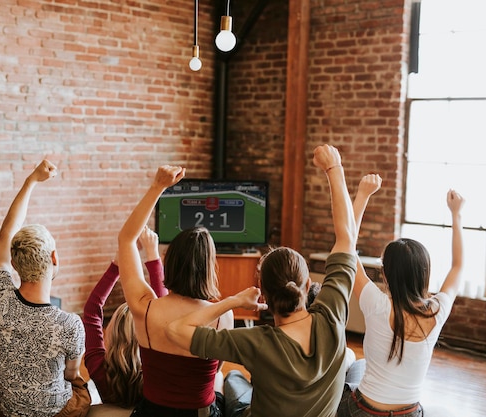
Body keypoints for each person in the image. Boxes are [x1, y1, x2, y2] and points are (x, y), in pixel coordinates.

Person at [166, 144, 361, 417]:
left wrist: (231, 301)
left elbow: (174, 330)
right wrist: (334, 169)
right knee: (354, 363)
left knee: (233, 378)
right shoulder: (332, 317)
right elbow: (347, 238)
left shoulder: (254, 342)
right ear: (307, 286)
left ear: (264, 296)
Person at [337, 175, 465, 417]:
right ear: (425, 275)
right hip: (410, 413)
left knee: (353, 367)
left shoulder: (376, 304)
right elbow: (458, 266)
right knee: (360, 365)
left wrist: (363, 195)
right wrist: (456, 214)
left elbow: (346, 248)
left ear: (385, 275)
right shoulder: (438, 310)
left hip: (362, 412)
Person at [117, 165, 234, 417]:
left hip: (152, 413)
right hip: (200, 414)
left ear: (170, 261)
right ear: (209, 268)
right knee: (224, 379)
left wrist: (157, 186)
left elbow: (127, 239)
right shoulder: (222, 316)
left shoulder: (144, 307)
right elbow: (215, 371)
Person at [0, 160, 90, 417]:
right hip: (55, 413)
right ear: (54, 258)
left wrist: (31, 180)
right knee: (82, 387)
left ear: (14, 264)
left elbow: (6, 233)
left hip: (7, 410)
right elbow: (71, 374)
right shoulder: (69, 324)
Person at [82, 227, 167, 407]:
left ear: (111, 330)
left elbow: (92, 310)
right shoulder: (157, 367)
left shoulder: (98, 367)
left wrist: (117, 267)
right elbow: (164, 314)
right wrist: (153, 255)